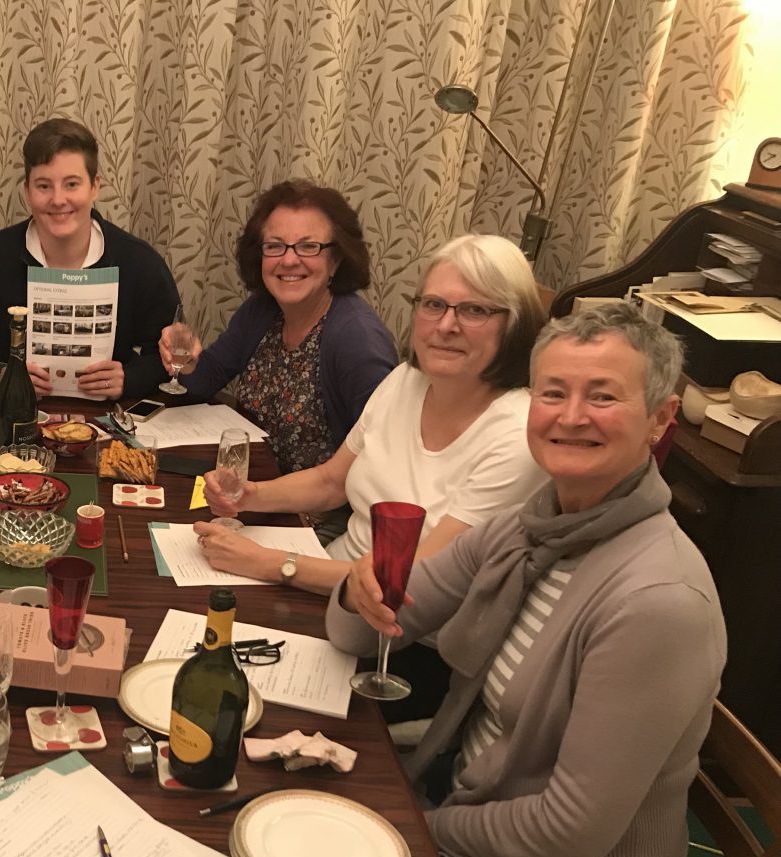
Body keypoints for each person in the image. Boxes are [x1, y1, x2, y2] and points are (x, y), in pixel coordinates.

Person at [273, 303, 725, 857]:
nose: (572, 416)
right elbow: (372, 622)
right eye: (554, 392)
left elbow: (571, 832)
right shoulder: (534, 523)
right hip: (466, 797)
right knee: (275, 809)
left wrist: (414, 829)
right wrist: (357, 587)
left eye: (603, 396)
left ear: (662, 418)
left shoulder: (657, 600)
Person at [196, 234, 547, 715]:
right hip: (329, 593)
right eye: (434, 304)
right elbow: (331, 481)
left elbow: (407, 582)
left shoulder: (517, 437)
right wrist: (248, 496)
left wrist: (270, 562)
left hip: (405, 646)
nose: (446, 325)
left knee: (223, 704)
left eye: (474, 311)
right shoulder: (406, 380)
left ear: (515, 324)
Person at [158, 181, 396, 487]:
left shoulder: (357, 339)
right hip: (249, 488)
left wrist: (263, 498)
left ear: (336, 260)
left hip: (315, 513)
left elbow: (380, 462)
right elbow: (206, 379)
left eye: (309, 246)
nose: (289, 259)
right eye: (275, 246)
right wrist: (188, 361)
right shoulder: (262, 309)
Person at [0, 118, 180, 401]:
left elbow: (170, 355)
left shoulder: (138, 261)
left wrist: (130, 379)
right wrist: (5, 375)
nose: (58, 199)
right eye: (44, 186)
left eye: (72, 184)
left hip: (109, 423)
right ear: (27, 191)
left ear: (95, 186)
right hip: (12, 418)